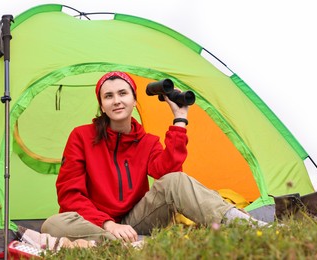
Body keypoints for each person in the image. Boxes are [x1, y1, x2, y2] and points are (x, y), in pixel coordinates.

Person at [41, 71, 268, 244]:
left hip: (136, 221)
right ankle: (126, 246)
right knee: (52, 225)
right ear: (101, 104)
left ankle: (241, 223)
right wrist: (108, 224)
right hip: (93, 223)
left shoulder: (147, 141)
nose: (116, 101)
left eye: (122, 93)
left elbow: (168, 175)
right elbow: (70, 195)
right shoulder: (81, 137)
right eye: (108, 96)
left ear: (133, 99)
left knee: (176, 180)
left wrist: (180, 119)